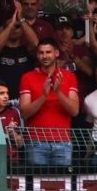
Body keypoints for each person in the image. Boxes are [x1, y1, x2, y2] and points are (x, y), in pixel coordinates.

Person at [19, 38, 80, 166]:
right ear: (37, 55)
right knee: (36, 184)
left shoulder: (69, 76)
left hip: (62, 141)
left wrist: (58, 92)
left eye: (48, 52)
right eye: (41, 53)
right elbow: (24, 113)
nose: (45, 56)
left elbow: (74, 111)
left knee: (63, 184)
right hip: (36, 141)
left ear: (56, 53)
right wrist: (44, 95)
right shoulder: (27, 77)